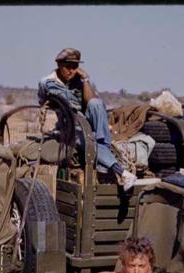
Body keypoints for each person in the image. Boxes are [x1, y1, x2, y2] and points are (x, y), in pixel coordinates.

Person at [38, 47, 138, 191]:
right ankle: (122, 172)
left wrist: (85, 80)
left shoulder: (79, 81)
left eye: (75, 66)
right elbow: (42, 102)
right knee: (87, 140)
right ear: (59, 64)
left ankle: (103, 153)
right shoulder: (46, 83)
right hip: (70, 123)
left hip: (87, 120)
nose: (71, 71)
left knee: (96, 103)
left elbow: (91, 101)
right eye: (68, 66)